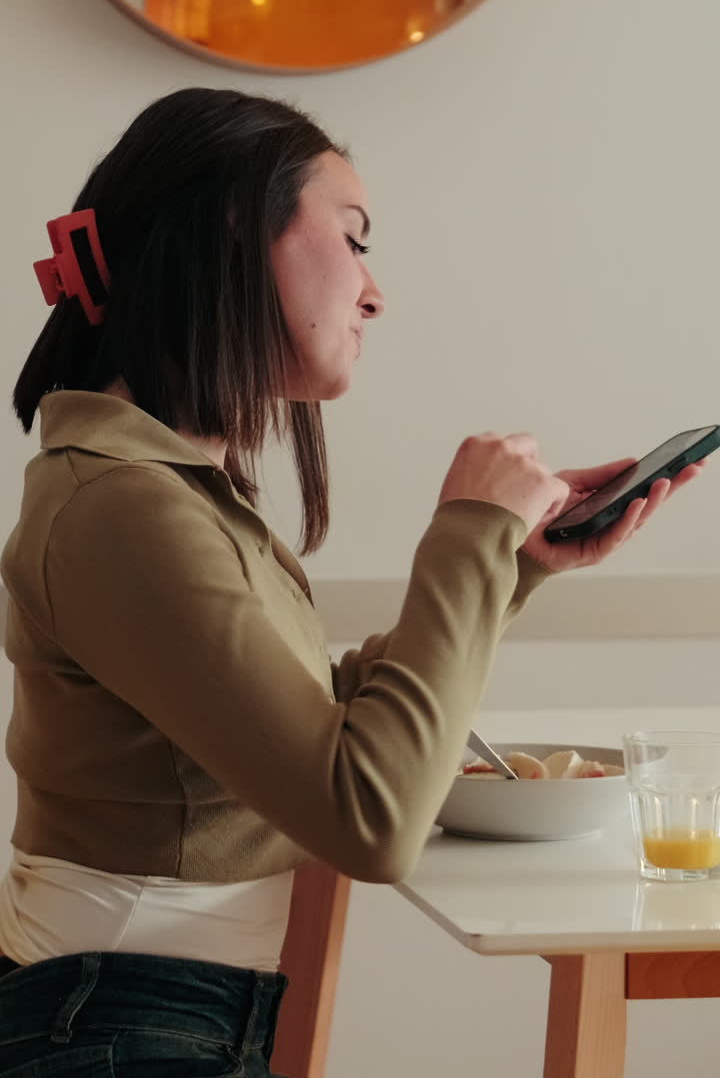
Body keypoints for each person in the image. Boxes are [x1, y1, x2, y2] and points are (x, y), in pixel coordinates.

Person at [0, 87, 702, 1076]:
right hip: (126, 1024)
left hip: (149, 1012)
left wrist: (509, 567)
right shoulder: (121, 508)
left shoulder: (150, 490)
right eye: (355, 237)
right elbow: (367, 816)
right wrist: (466, 534)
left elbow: (319, 722)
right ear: (237, 231)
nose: (375, 292)